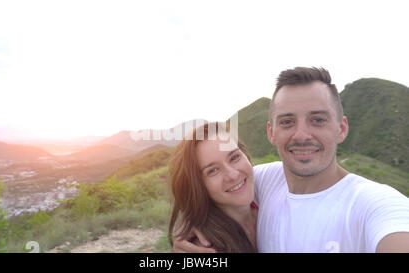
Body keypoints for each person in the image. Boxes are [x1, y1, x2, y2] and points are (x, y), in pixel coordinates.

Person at [173, 67, 409, 253]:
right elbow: (204, 192)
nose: (302, 135)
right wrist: (190, 231)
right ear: (271, 132)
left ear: (341, 128)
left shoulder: (374, 205)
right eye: (287, 122)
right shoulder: (266, 180)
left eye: (317, 120)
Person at [168, 122, 258, 252]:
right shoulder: (205, 247)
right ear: (198, 187)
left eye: (234, 157)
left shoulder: (270, 198)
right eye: (213, 170)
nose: (233, 175)